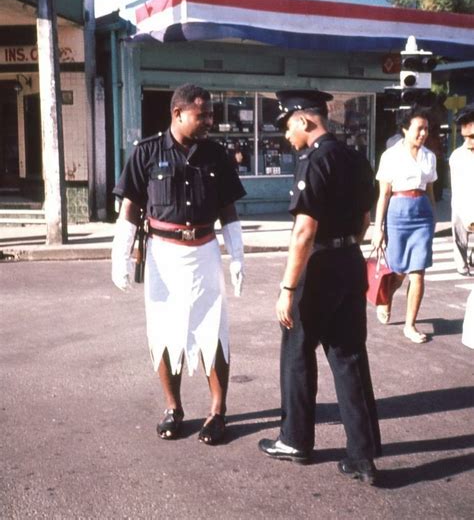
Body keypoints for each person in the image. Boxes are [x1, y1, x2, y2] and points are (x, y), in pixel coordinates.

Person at [111, 84, 246, 445]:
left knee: (213, 332)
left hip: (204, 251)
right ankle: (174, 408)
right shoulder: (147, 152)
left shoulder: (216, 155)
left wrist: (237, 255)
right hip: (162, 257)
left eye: (210, 115)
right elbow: (131, 207)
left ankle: (217, 412)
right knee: (164, 332)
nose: (209, 121)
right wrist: (119, 255)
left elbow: (228, 210)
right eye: (202, 115)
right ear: (178, 114)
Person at [258, 89, 382, 485]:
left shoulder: (313, 161)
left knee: (297, 351)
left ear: (305, 120)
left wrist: (287, 288)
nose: (285, 137)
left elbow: (303, 233)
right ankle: (362, 455)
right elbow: (364, 219)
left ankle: (295, 440)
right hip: (350, 262)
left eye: (287, 127)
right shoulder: (355, 157)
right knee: (348, 356)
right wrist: (348, 246)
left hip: (321, 266)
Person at [372, 107, 437, 344]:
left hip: (422, 214)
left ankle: (410, 325)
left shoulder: (430, 156)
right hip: (398, 213)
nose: (423, 133)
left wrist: (433, 218)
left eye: (426, 129)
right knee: (398, 272)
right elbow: (384, 194)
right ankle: (386, 297)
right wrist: (378, 228)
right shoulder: (390, 156)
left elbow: (430, 190)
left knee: (418, 272)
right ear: (405, 129)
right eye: (419, 128)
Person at [449, 104, 474, 276]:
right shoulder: (457, 156)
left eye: (472, 136)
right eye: (465, 137)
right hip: (463, 208)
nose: (469, 141)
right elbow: (458, 193)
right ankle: (464, 264)